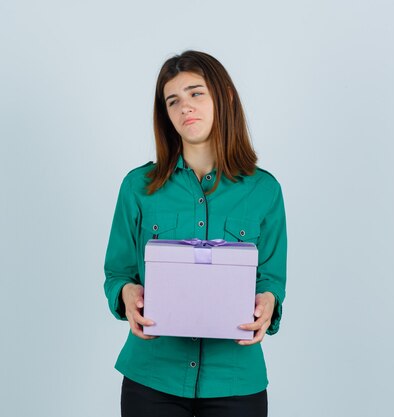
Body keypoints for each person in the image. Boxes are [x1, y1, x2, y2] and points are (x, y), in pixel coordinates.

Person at [103, 50, 288, 417]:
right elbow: (118, 271)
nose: (185, 107)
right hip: (152, 381)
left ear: (225, 97)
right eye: (173, 101)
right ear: (166, 115)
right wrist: (125, 293)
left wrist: (268, 302)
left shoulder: (265, 191)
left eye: (195, 93)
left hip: (236, 382)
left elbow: (271, 277)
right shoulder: (138, 187)